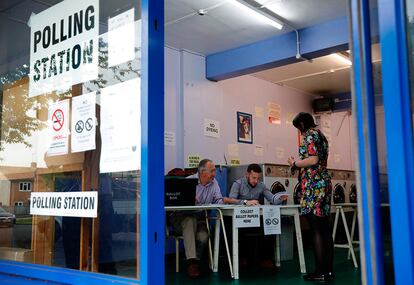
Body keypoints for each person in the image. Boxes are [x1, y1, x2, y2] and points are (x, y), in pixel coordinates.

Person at [287, 112, 334, 282]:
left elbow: (313, 159)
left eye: (298, 128)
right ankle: (328, 271)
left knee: (315, 229)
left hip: (314, 185)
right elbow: (320, 160)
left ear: (301, 124)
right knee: (325, 229)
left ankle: (320, 271)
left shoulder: (309, 135)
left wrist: (294, 163)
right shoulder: (321, 135)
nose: (299, 133)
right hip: (325, 181)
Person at [224, 163, 288, 269]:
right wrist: (245, 202)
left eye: (258, 178)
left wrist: (280, 198)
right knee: (238, 230)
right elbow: (230, 200)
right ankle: (241, 258)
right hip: (240, 219)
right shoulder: (238, 184)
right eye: (254, 178)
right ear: (247, 175)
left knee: (271, 226)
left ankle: (266, 258)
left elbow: (272, 199)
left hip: (256, 218)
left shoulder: (261, 185)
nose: (256, 181)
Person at [169, 159, 223, 278]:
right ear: (203, 172)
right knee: (189, 220)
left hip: (199, 218)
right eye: (212, 171)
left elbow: (219, 200)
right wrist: (187, 200)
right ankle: (191, 263)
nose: (214, 173)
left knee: (203, 236)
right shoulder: (188, 182)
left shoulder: (214, 183)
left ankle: (196, 261)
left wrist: (220, 202)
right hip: (180, 217)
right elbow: (173, 204)